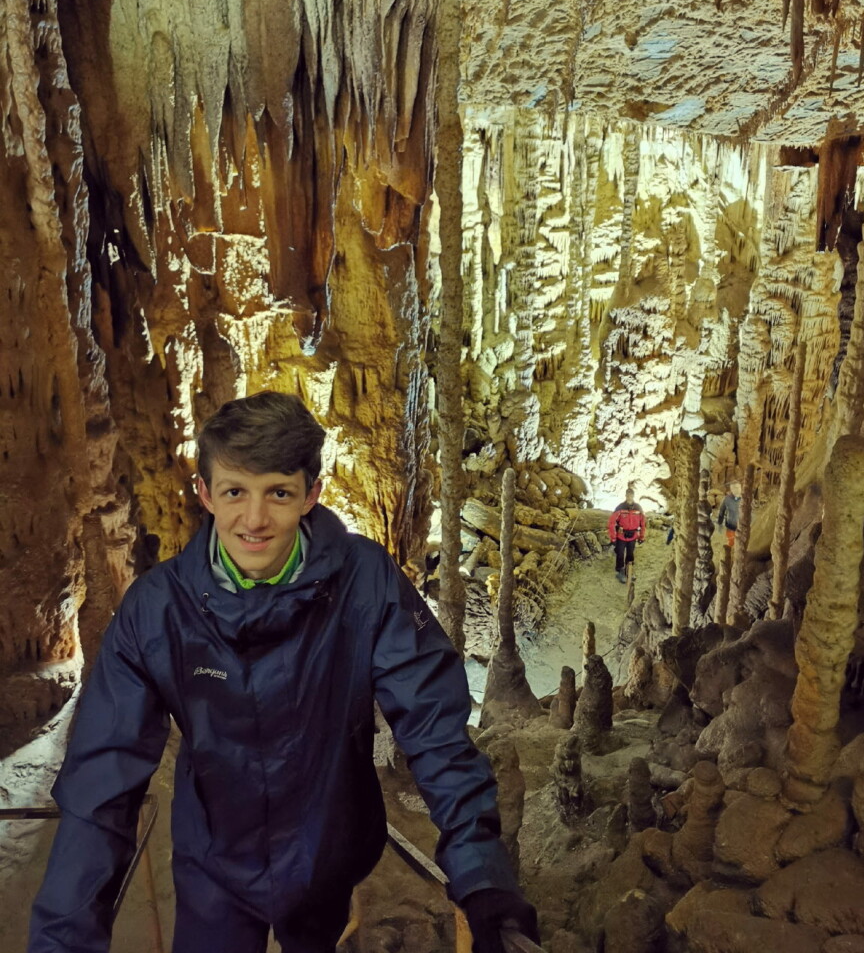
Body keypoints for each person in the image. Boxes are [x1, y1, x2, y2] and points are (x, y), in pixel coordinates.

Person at [28, 391, 539, 953]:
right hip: (214, 865)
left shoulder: (364, 582)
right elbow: (102, 784)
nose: (254, 519)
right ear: (205, 494)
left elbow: (435, 733)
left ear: (311, 494)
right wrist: (62, 940)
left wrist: (481, 874)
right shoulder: (156, 612)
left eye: (278, 492)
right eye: (235, 492)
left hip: (328, 853)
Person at [607, 488, 645, 583]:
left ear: (633, 495)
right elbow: (612, 523)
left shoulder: (638, 508)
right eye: (628, 495)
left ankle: (629, 570)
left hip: (633, 535)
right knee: (620, 553)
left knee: (630, 553)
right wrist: (613, 538)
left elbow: (643, 523)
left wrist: (642, 536)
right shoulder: (620, 507)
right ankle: (620, 570)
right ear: (625, 495)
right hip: (621, 535)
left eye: (631, 495)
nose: (629, 497)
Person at [717, 480, 742, 552]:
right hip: (730, 527)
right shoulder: (727, 499)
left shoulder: (745, 499)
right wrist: (719, 523)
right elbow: (721, 511)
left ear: (741, 488)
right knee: (731, 545)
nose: (737, 490)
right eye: (734, 488)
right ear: (731, 489)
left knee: (741, 547)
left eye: (738, 488)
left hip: (742, 528)